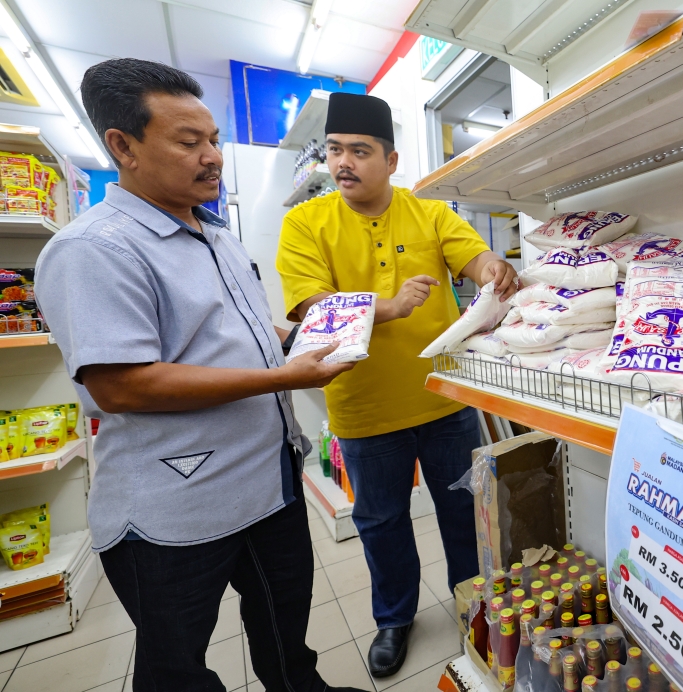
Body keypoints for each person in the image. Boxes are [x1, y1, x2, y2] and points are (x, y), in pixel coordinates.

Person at [35, 59, 365, 692]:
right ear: (123, 147)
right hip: (175, 508)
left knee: (283, 632)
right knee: (177, 667)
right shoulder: (95, 249)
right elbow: (122, 384)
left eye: (212, 139)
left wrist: (306, 338)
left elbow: (228, 334)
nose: (212, 156)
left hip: (269, 484)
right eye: (189, 142)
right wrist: (284, 379)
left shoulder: (215, 235)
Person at [276, 92, 518, 677]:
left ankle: (475, 607)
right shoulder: (306, 221)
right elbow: (310, 305)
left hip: (442, 398)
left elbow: (471, 255)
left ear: (391, 158)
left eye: (360, 151)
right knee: (381, 523)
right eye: (335, 151)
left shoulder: (427, 212)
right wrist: (388, 308)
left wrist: (492, 269)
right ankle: (394, 617)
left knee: (462, 511)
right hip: (363, 409)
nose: (343, 163)